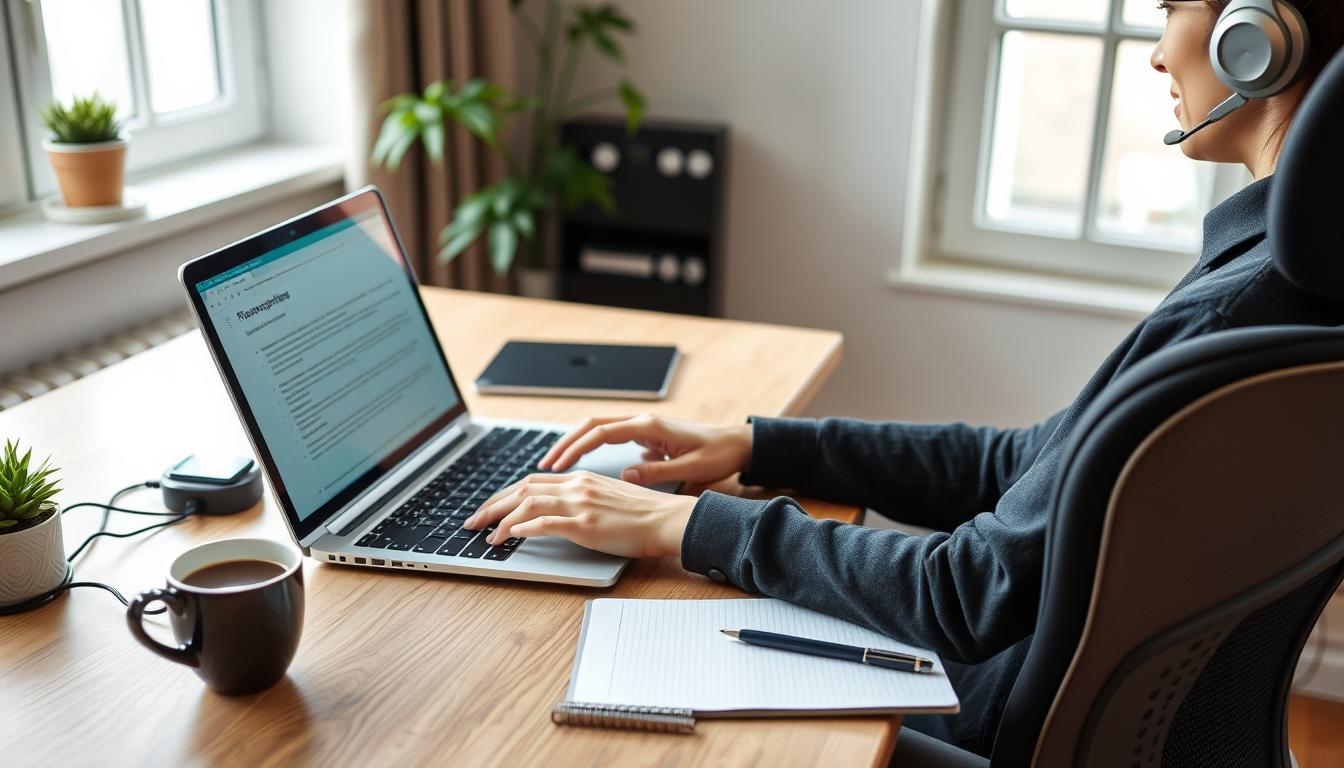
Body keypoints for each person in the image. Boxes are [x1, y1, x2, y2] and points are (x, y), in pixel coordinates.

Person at [464, 0, 1344, 756]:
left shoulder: (1236, 314)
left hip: (979, 717)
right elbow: (1032, 465)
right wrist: (763, 444)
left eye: (1170, 10)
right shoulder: (1278, 283)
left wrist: (682, 525)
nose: (1156, 50)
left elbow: (965, 592)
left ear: (1259, 39)